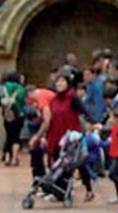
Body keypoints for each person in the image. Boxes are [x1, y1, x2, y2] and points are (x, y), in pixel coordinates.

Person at [31, 70, 96, 202]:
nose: (59, 84)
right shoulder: (55, 99)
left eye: (62, 81)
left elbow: (84, 111)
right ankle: (60, 191)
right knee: (56, 163)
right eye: (58, 81)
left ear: (68, 83)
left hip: (70, 138)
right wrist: (43, 136)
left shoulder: (72, 97)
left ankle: (88, 190)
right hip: (55, 137)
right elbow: (50, 118)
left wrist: (93, 123)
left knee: (77, 163)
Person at [0, 71, 26, 166]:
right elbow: (23, 101)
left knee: (9, 135)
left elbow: (0, 100)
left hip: (7, 115)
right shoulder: (21, 89)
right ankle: (14, 158)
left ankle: (7, 157)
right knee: (16, 136)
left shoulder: (4, 88)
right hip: (18, 114)